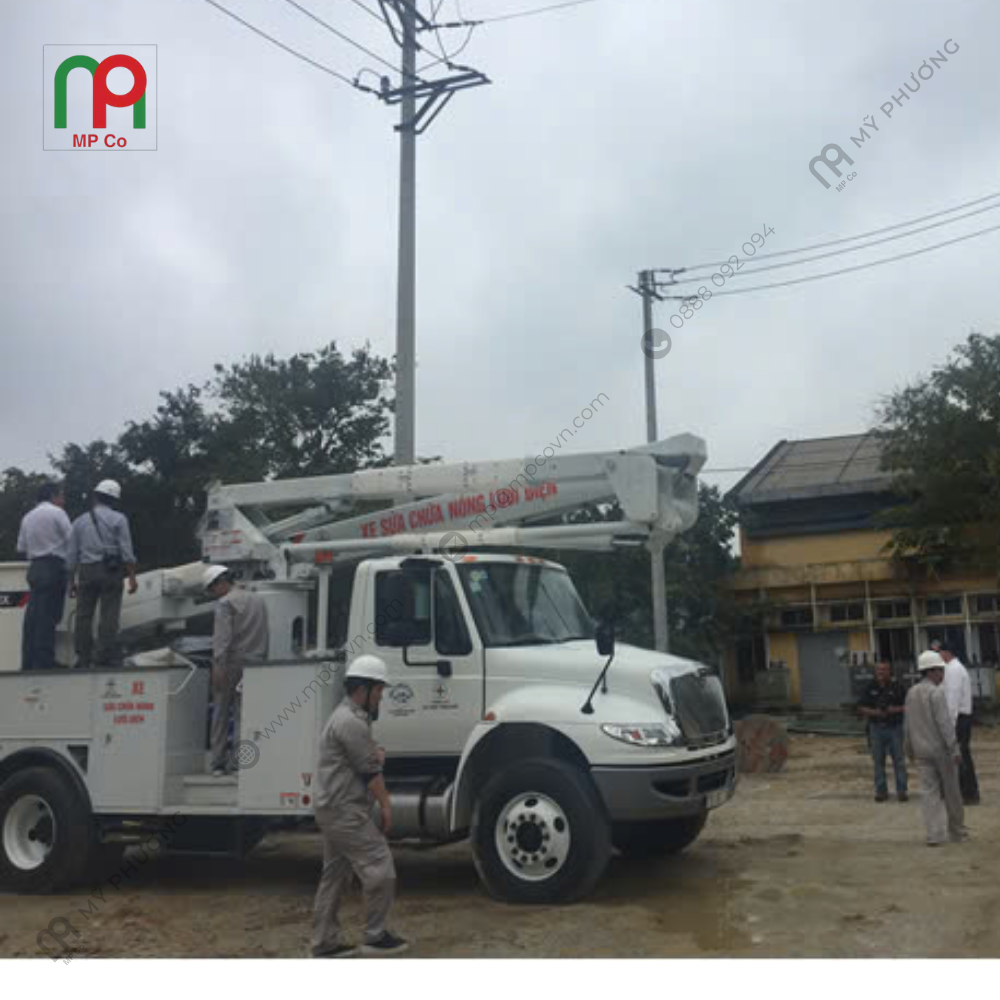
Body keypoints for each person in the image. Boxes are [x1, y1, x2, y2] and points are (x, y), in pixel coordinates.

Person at [312, 655, 408, 958]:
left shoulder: (346, 717)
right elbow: (370, 773)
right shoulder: (350, 722)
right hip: (344, 812)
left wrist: (373, 753)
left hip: (333, 808)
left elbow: (359, 759)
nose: (381, 696)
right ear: (363, 689)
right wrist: (387, 805)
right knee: (381, 867)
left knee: (334, 876)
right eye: (379, 690)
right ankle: (375, 937)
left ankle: (324, 943)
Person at [204, 565, 269, 776]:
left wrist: (217, 669)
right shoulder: (258, 600)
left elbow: (221, 641)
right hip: (255, 664)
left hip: (230, 664)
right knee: (245, 715)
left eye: (212, 589)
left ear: (221, 583)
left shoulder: (225, 603)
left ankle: (217, 763)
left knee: (221, 713)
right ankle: (239, 764)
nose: (213, 594)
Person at [66, 479, 138, 669]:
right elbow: (126, 551)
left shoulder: (79, 521)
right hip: (111, 570)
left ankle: (83, 657)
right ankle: (103, 657)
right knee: (109, 614)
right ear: (114, 500)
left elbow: (71, 556)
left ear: (95, 497)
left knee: (83, 615)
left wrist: (71, 581)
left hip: (86, 571)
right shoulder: (119, 519)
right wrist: (132, 577)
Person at [904, 650, 966, 846]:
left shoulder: (911, 692)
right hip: (941, 751)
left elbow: (907, 724)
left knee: (928, 794)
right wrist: (955, 749)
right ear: (931, 671)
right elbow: (945, 724)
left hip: (921, 751)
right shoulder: (936, 693)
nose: (943, 674)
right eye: (941, 670)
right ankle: (956, 832)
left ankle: (934, 835)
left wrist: (909, 749)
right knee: (952, 793)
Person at [16, 482, 72, 670]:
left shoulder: (27, 517)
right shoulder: (57, 513)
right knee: (48, 616)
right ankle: (44, 661)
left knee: (33, 616)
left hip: (35, 567)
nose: (63, 500)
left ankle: (29, 661)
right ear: (53, 495)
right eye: (61, 496)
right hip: (53, 565)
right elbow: (72, 539)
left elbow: (21, 547)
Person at [857, 660, 908, 802]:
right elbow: (860, 707)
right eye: (879, 669)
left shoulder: (898, 687)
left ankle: (902, 791)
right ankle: (881, 792)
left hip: (895, 728)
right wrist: (876, 712)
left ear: (889, 671)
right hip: (876, 728)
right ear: (875, 671)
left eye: (884, 669)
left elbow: (908, 705)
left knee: (899, 761)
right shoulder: (869, 687)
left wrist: (894, 709)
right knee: (878, 762)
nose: (881, 672)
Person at [938, 642, 979, 805]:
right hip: (960, 718)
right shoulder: (954, 668)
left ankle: (968, 793)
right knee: (960, 756)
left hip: (958, 719)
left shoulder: (953, 669)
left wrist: (949, 724)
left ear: (947, 652)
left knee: (960, 756)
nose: (939, 656)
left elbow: (952, 699)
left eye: (940, 652)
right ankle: (966, 792)